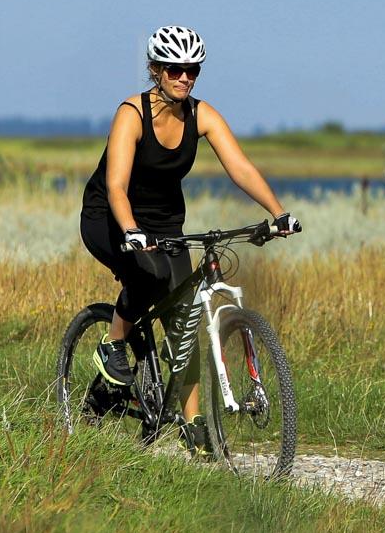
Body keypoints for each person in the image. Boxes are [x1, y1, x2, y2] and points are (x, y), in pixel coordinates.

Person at [79, 25, 299, 458]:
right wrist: (131, 232)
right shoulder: (131, 113)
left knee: (184, 319)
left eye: (192, 70)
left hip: (165, 223)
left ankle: (194, 423)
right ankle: (113, 345)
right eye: (176, 70)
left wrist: (278, 213)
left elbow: (241, 168)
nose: (185, 78)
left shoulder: (202, 115)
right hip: (109, 216)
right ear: (156, 69)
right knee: (147, 274)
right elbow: (117, 185)